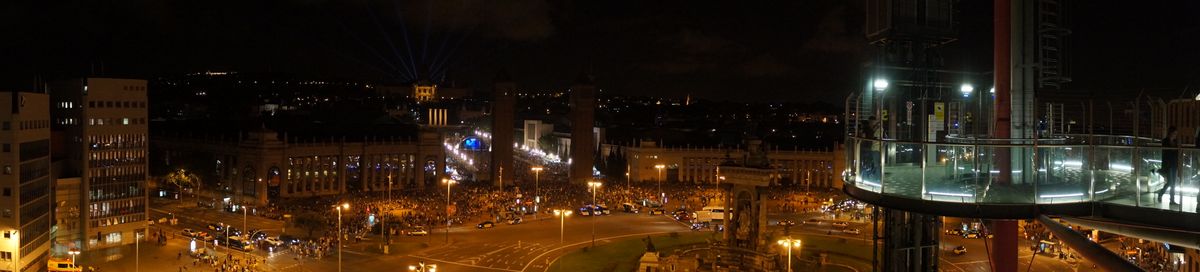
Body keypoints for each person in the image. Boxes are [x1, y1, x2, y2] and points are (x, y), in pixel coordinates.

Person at [1157, 126, 1180, 204]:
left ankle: (1171, 200)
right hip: (1168, 165)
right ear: (1170, 133)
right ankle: (1162, 194)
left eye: (1176, 133)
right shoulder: (1165, 141)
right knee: (1170, 182)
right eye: (1174, 133)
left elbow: (1177, 153)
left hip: (1174, 164)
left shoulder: (1175, 141)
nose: (1175, 135)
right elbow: (1165, 153)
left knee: (1173, 183)